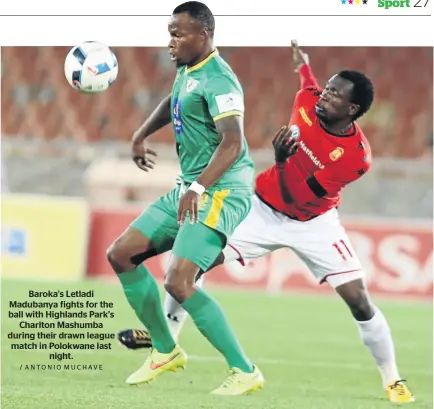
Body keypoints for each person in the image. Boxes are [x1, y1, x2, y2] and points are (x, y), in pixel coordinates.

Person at [118, 41, 415, 404]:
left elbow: (297, 197)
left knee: (359, 301)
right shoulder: (307, 99)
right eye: (326, 88)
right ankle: (166, 337)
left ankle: (393, 379)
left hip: (313, 222)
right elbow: (308, 81)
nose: (323, 97)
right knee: (193, 262)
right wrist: (303, 64)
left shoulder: (355, 157)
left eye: (334, 95)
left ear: (352, 110)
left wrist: (280, 160)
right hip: (258, 208)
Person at [108, 1, 264, 396]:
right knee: (122, 253)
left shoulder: (221, 81)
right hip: (191, 183)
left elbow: (233, 143)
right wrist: (140, 133)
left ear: (204, 35)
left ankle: (245, 371)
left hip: (222, 188)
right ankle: (164, 349)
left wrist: (196, 189)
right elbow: (175, 100)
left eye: (178, 34)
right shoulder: (188, 70)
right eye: (170, 33)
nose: (170, 42)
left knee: (179, 281)